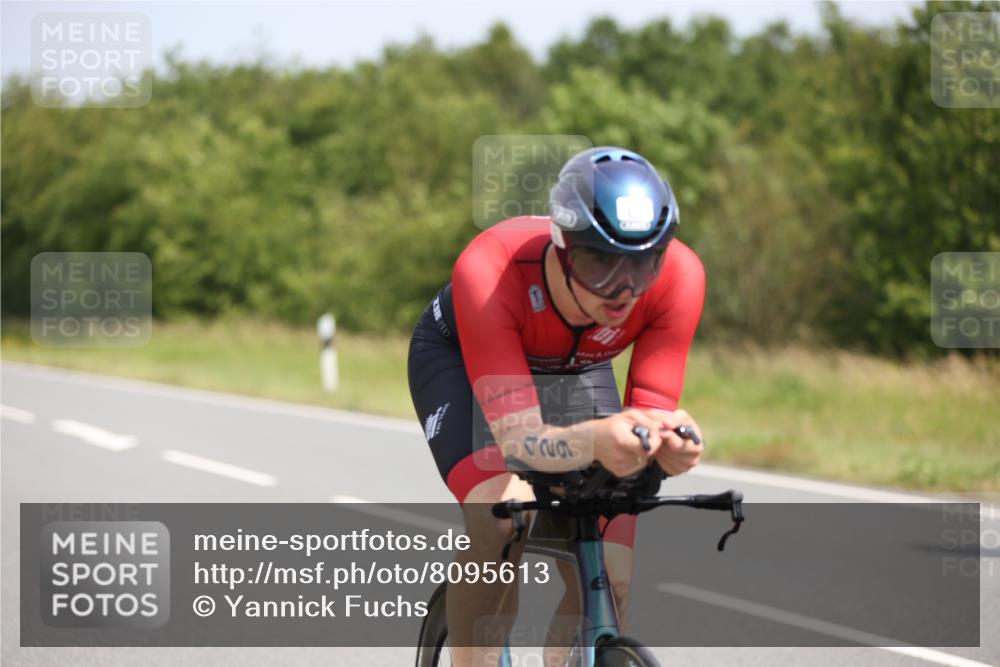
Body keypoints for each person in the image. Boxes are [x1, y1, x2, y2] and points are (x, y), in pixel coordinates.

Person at [407, 146, 706, 667]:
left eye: (644, 264)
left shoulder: (680, 278)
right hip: (466, 357)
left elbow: (651, 410)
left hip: (580, 366)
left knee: (612, 579)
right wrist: (595, 440)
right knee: (505, 517)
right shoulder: (489, 270)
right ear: (564, 247)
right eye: (600, 262)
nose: (624, 289)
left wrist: (668, 443)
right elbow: (521, 439)